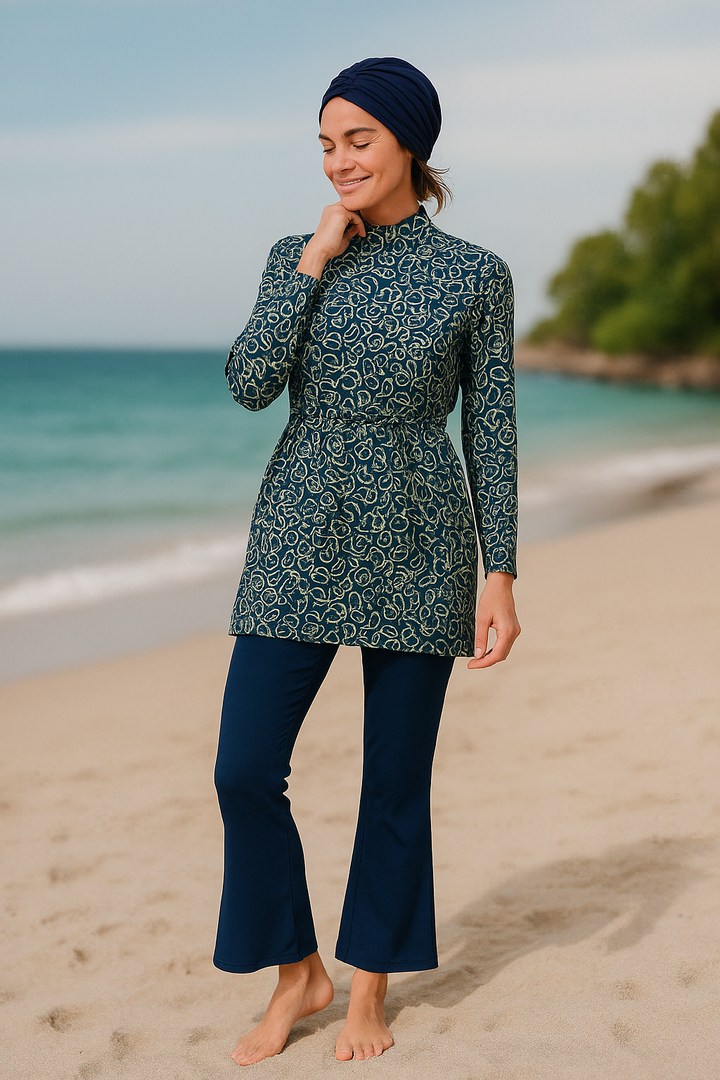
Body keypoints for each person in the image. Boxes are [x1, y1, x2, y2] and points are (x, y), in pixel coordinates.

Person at [213, 56, 521, 1066]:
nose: (339, 161)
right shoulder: (291, 254)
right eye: (326, 143)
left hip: (421, 539)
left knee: (396, 780)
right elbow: (250, 384)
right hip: (297, 528)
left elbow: (494, 431)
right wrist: (309, 263)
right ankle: (298, 971)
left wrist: (501, 573)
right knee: (245, 768)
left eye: (359, 140)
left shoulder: (475, 274)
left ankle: (367, 991)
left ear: (409, 147)